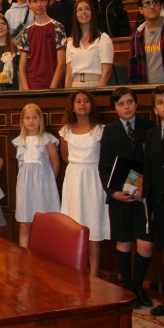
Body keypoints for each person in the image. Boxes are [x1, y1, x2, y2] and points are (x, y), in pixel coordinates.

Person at [98, 88, 154, 309]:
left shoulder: (149, 128)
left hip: (142, 198)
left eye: (130, 102)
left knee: (146, 244)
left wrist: (146, 190)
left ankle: (139, 286)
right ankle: (129, 289)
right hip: (119, 197)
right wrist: (113, 192)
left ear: (137, 104)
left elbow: (153, 164)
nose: (126, 107)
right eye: (121, 104)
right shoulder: (110, 131)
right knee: (123, 242)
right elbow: (103, 167)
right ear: (115, 108)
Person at [58, 90, 110, 277]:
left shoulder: (100, 130)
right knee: (75, 223)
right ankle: (76, 270)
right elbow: (64, 156)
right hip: (74, 178)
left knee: (93, 225)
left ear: (91, 105)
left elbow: (106, 157)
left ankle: (94, 274)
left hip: (93, 178)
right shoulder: (66, 130)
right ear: (72, 107)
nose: (82, 104)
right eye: (78, 101)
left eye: (86, 101)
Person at [143, 84, 164, 317]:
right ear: (154, 109)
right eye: (161, 102)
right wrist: (146, 200)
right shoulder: (152, 135)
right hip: (161, 203)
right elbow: (149, 170)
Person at [13, 103, 60, 248]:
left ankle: (45, 255)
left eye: (34, 117)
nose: (31, 121)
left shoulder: (47, 139)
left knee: (44, 222)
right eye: (27, 118)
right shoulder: (20, 141)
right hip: (25, 186)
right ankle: (24, 255)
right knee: (25, 222)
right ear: (22, 121)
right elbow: (20, 165)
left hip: (43, 185)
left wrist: (50, 182)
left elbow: (55, 163)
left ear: (40, 120)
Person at [17, 0, 66, 90]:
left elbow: (61, 62)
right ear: (29, 4)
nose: (38, 5)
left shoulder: (58, 27)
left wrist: (52, 88)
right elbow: (22, 66)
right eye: (35, 1)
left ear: (46, 2)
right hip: (32, 85)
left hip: (52, 85)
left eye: (41, 0)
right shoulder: (27, 31)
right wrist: (26, 90)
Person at [65, 0, 114, 88]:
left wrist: (99, 93)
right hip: (75, 85)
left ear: (92, 12)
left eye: (87, 9)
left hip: (96, 84)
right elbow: (69, 75)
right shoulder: (71, 43)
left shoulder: (103, 39)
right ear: (75, 15)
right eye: (80, 10)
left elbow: (107, 72)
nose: (84, 12)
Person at [127, 0, 164, 84]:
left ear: (161, 6)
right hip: (147, 89)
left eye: (155, 2)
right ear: (140, 10)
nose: (152, 6)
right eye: (147, 4)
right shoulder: (137, 36)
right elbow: (133, 70)